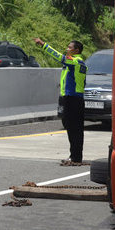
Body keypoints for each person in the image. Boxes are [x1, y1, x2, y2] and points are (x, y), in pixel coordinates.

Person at [34, 37, 88, 166]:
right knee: (74, 128)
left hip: (72, 98)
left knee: (73, 128)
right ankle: (75, 156)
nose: (67, 49)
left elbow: (59, 57)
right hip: (75, 98)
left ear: (76, 50)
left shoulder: (74, 61)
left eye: (69, 47)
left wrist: (43, 45)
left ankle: (75, 157)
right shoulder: (80, 63)